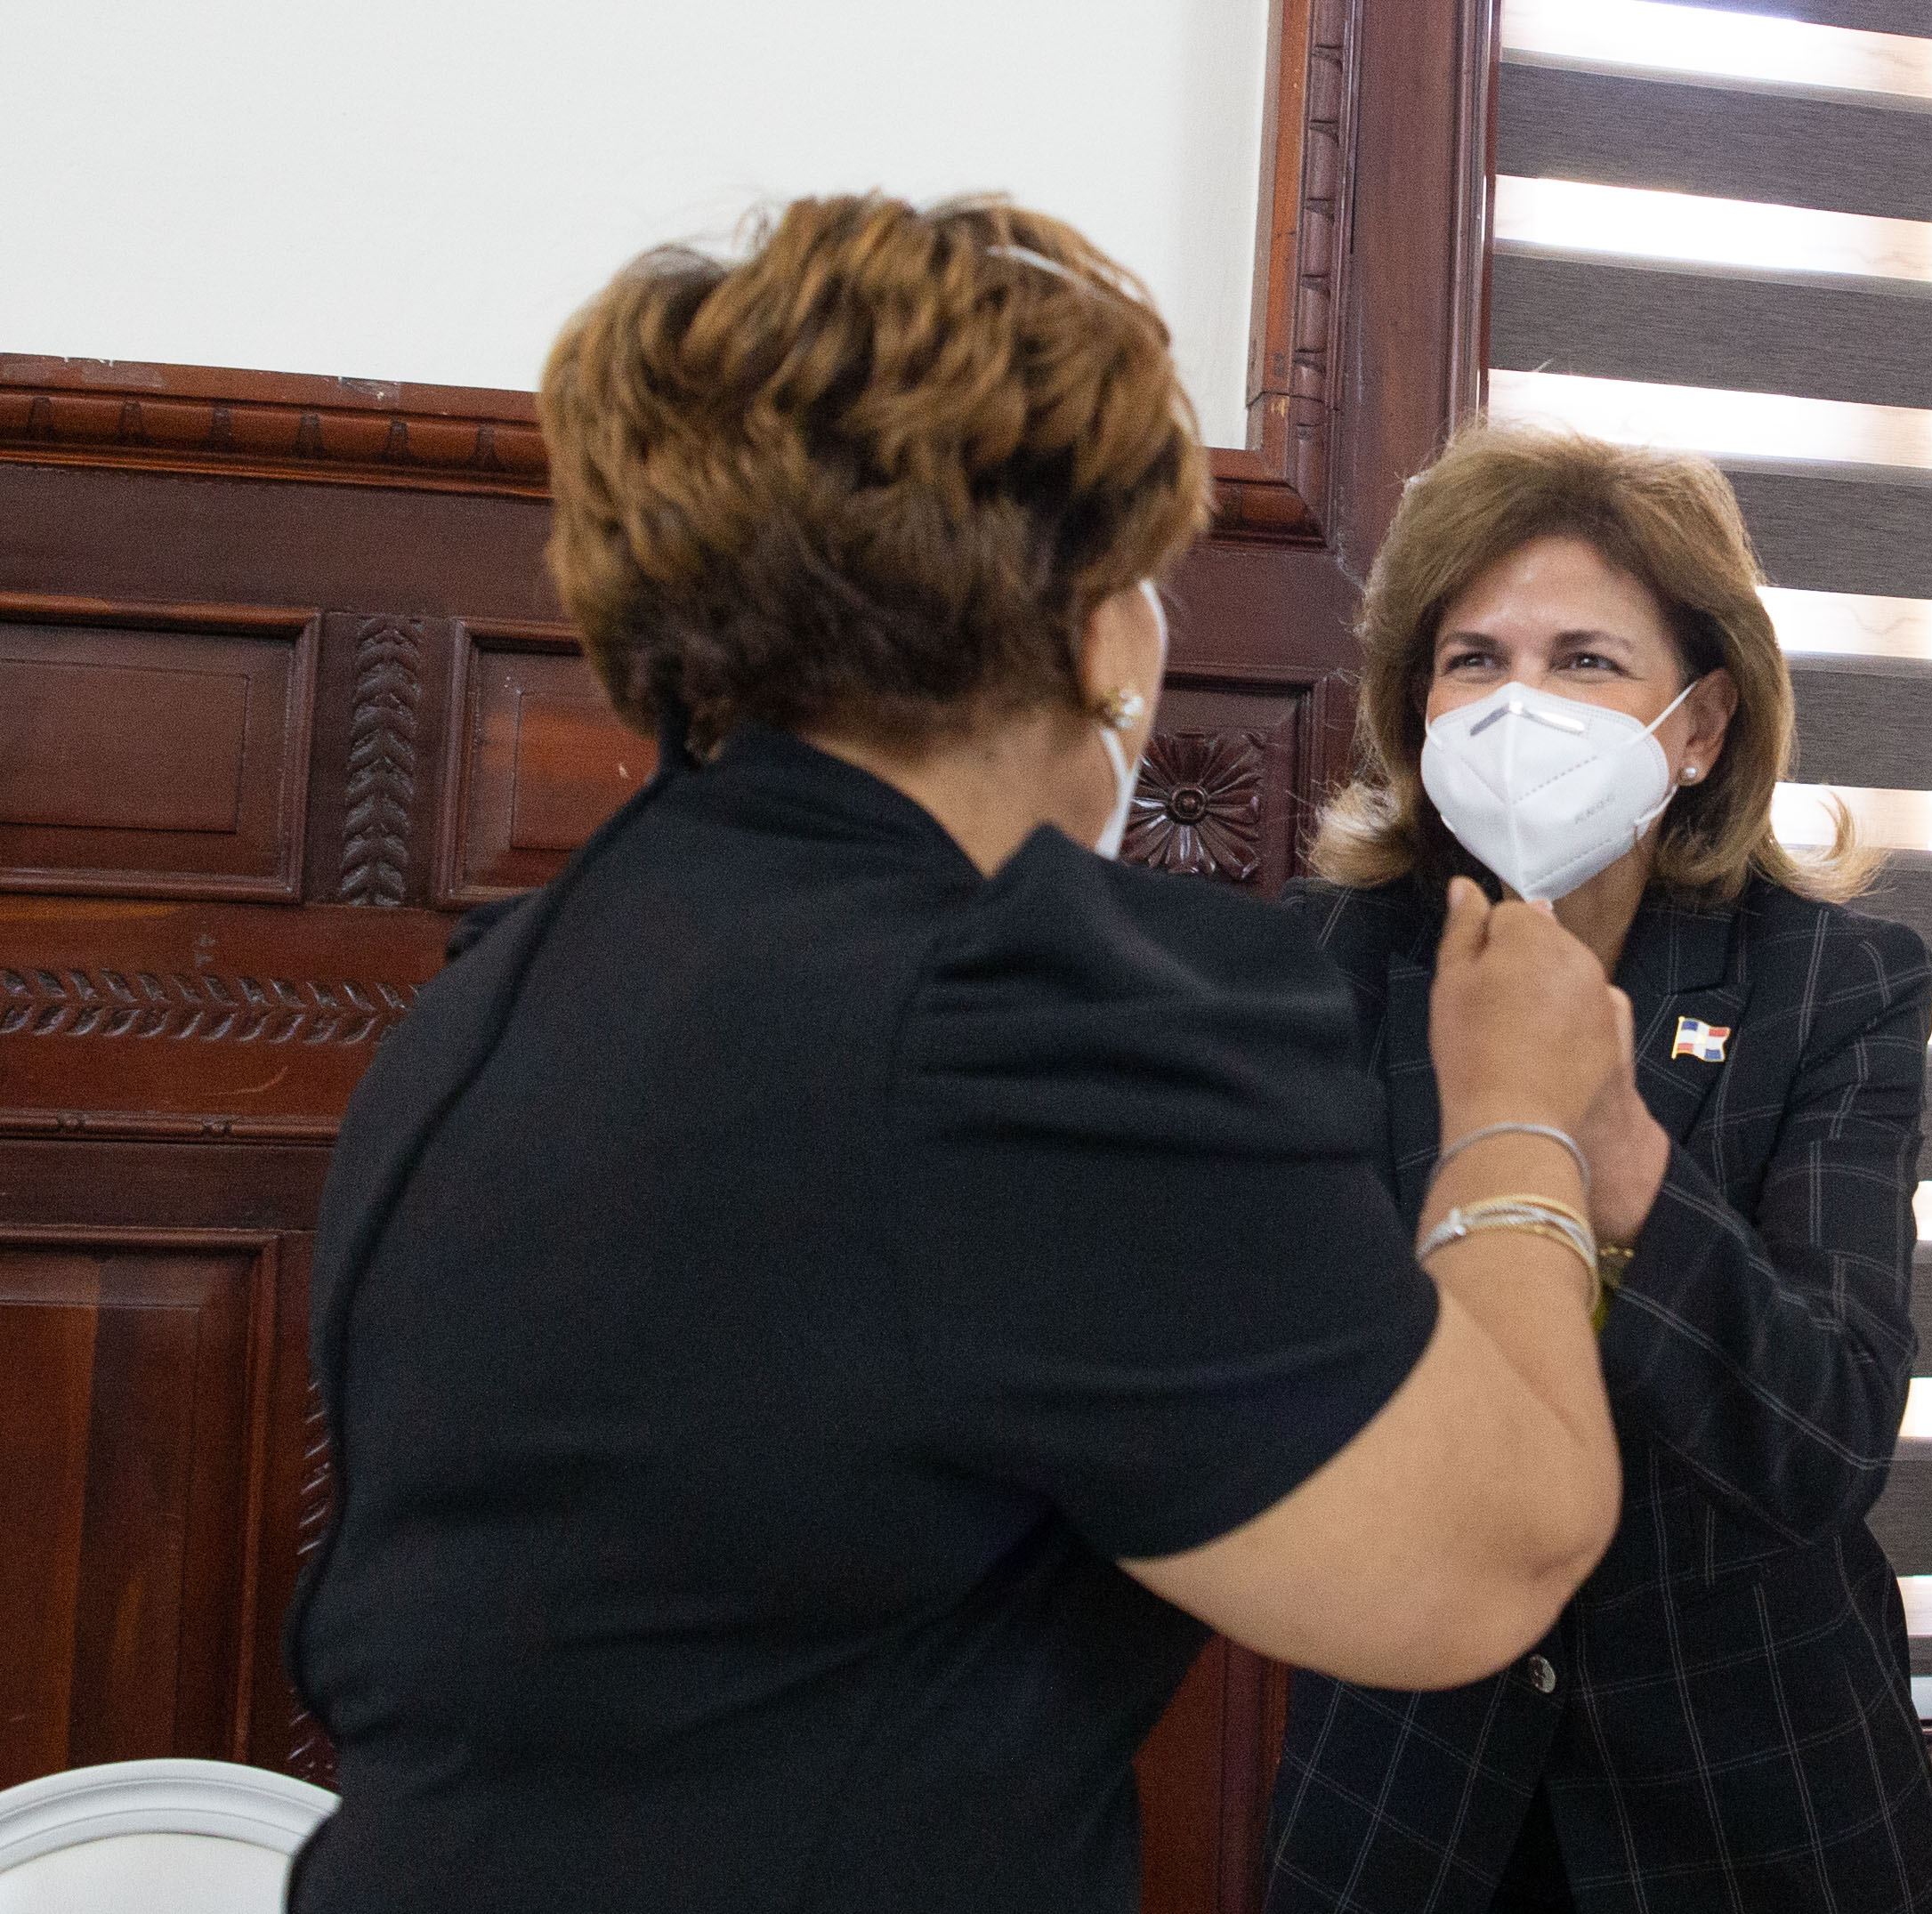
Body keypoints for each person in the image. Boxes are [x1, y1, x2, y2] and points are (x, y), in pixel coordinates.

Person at [284, 197, 1638, 1914]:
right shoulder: (1016, 1017)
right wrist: (1518, 1117)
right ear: (1093, 629)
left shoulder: (504, 988)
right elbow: (1477, 1560)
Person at [1263, 425, 1932, 1914]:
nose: (1520, 706)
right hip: (1404, 1791)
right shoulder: (1308, 971)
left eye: (1584, 661)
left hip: (1755, 1794)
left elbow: (1826, 1436)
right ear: (1414, 706)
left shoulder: (1835, 984)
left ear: (1698, 726)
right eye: (1474, 659)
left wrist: (1615, 1146)